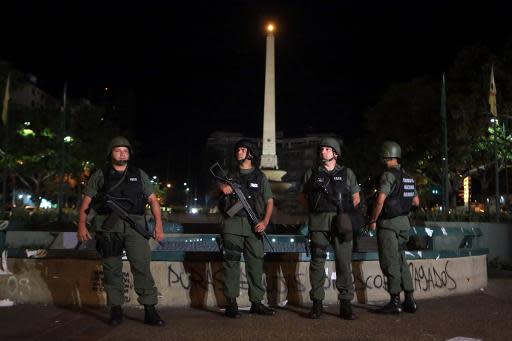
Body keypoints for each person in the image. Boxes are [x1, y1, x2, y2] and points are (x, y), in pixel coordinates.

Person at [77, 136, 165, 326]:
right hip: (108, 227)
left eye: (125, 151)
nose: (122, 153)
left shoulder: (139, 174)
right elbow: (86, 202)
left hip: (135, 227)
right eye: (118, 150)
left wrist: (158, 225)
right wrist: (81, 225)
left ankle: (150, 310)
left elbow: (153, 201)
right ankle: (115, 310)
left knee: (141, 266)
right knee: (111, 269)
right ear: (111, 153)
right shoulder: (101, 174)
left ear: (129, 154)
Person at [299, 137, 359, 320]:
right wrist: (314, 210)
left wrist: (346, 214)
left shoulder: (348, 173)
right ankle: (317, 303)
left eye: (327, 149)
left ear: (335, 153)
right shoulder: (311, 173)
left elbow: (356, 197)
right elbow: (302, 197)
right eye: (322, 149)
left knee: (343, 262)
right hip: (318, 223)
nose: (323, 151)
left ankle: (346, 304)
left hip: (341, 222)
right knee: (317, 262)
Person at [217, 139, 275, 318]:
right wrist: (222, 188)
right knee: (231, 263)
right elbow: (215, 192)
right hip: (232, 224)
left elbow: (269, 201)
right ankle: (231, 303)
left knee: (256, 264)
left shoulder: (260, 176)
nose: (239, 152)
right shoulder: (229, 174)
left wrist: (264, 222)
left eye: (243, 150)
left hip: (253, 226)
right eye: (238, 150)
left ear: (250, 153)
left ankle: (256, 302)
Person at [368, 141, 419, 314]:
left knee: (390, 262)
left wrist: (373, 219)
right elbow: (416, 202)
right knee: (401, 260)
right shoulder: (408, 177)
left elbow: (380, 200)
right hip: (404, 224)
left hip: (388, 225)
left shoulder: (388, 175)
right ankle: (410, 300)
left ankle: (395, 301)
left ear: (386, 155)